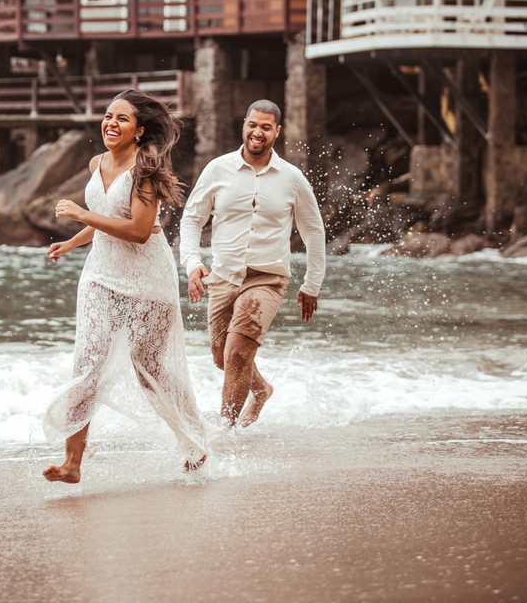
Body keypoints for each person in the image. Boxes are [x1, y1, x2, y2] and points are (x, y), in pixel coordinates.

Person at [42, 90, 208, 483]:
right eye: (107, 116)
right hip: (100, 273)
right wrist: (73, 241)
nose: (110, 124)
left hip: (147, 277)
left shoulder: (144, 169)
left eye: (122, 119)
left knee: (148, 368)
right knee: (87, 363)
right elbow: (105, 217)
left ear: (139, 131)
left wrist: (82, 214)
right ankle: (72, 463)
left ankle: (194, 440)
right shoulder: (96, 162)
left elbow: (136, 230)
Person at [179, 100, 325, 428]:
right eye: (252, 125)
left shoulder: (292, 178)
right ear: (244, 125)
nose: (258, 132)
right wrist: (191, 263)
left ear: (277, 131)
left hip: (267, 278)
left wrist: (311, 283)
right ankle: (261, 391)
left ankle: (224, 432)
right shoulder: (217, 169)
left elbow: (314, 231)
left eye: (266, 127)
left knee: (238, 355)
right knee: (222, 359)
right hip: (223, 277)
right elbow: (191, 219)